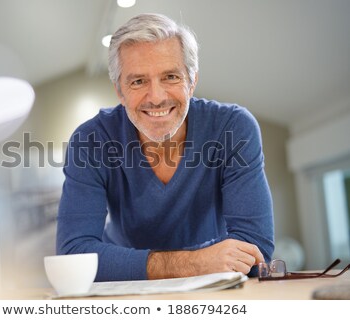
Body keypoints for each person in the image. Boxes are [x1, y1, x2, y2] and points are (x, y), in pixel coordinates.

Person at [57, 13, 274, 281]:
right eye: (138, 81)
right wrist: (195, 263)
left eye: (171, 77)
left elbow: (255, 251)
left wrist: (142, 265)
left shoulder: (233, 128)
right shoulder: (90, 141)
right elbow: (74, 258)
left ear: (192, 81)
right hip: (127, 293)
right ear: (119, 91)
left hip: (212, 288)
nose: (157, 97)